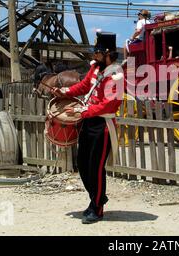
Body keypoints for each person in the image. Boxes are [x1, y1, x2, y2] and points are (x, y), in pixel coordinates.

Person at [52, 32, 123, 224]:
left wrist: (82, 112)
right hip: (89, 122)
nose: (94, 55)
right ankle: (97, 197)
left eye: (98, 52)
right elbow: (84, 87)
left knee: (96, 168)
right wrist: (64, 91)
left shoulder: (116, 75)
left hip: (103, 126)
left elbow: (109, 105)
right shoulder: (95, 69)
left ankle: (97, 207)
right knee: (82, 164)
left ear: (108, 54)